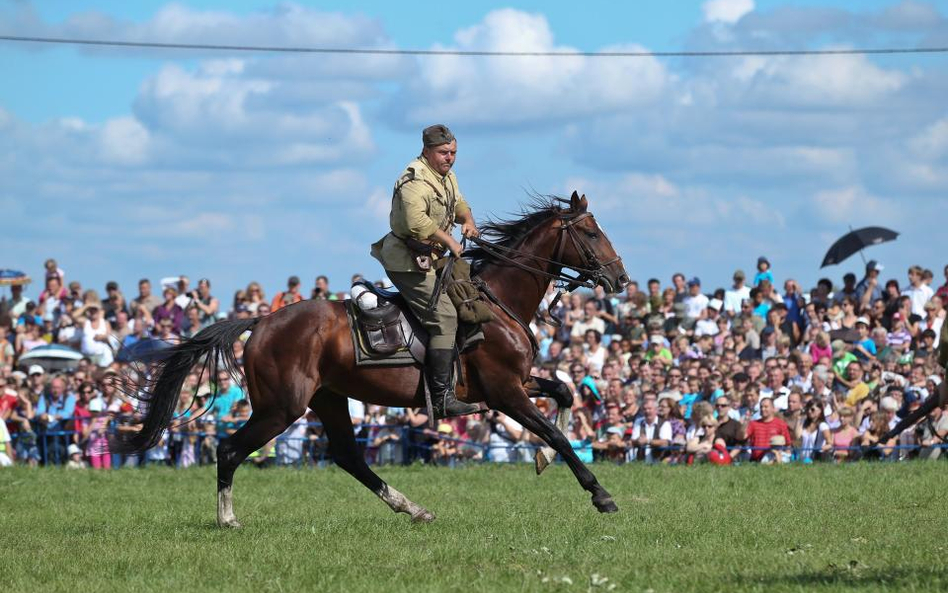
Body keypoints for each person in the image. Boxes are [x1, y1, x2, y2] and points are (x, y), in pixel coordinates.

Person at [369, 124, 480, 418]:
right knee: (444, 317)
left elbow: (458, 203)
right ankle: (442, 398)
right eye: (444, 152)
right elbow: (417, 222)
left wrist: (468, 220)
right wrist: (451, 241)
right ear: (427, 151)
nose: (450, 158)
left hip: (433, 257)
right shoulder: (414, 181)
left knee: (472, 297)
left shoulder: (446, 176)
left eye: (453, 152)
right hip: (407, 261)